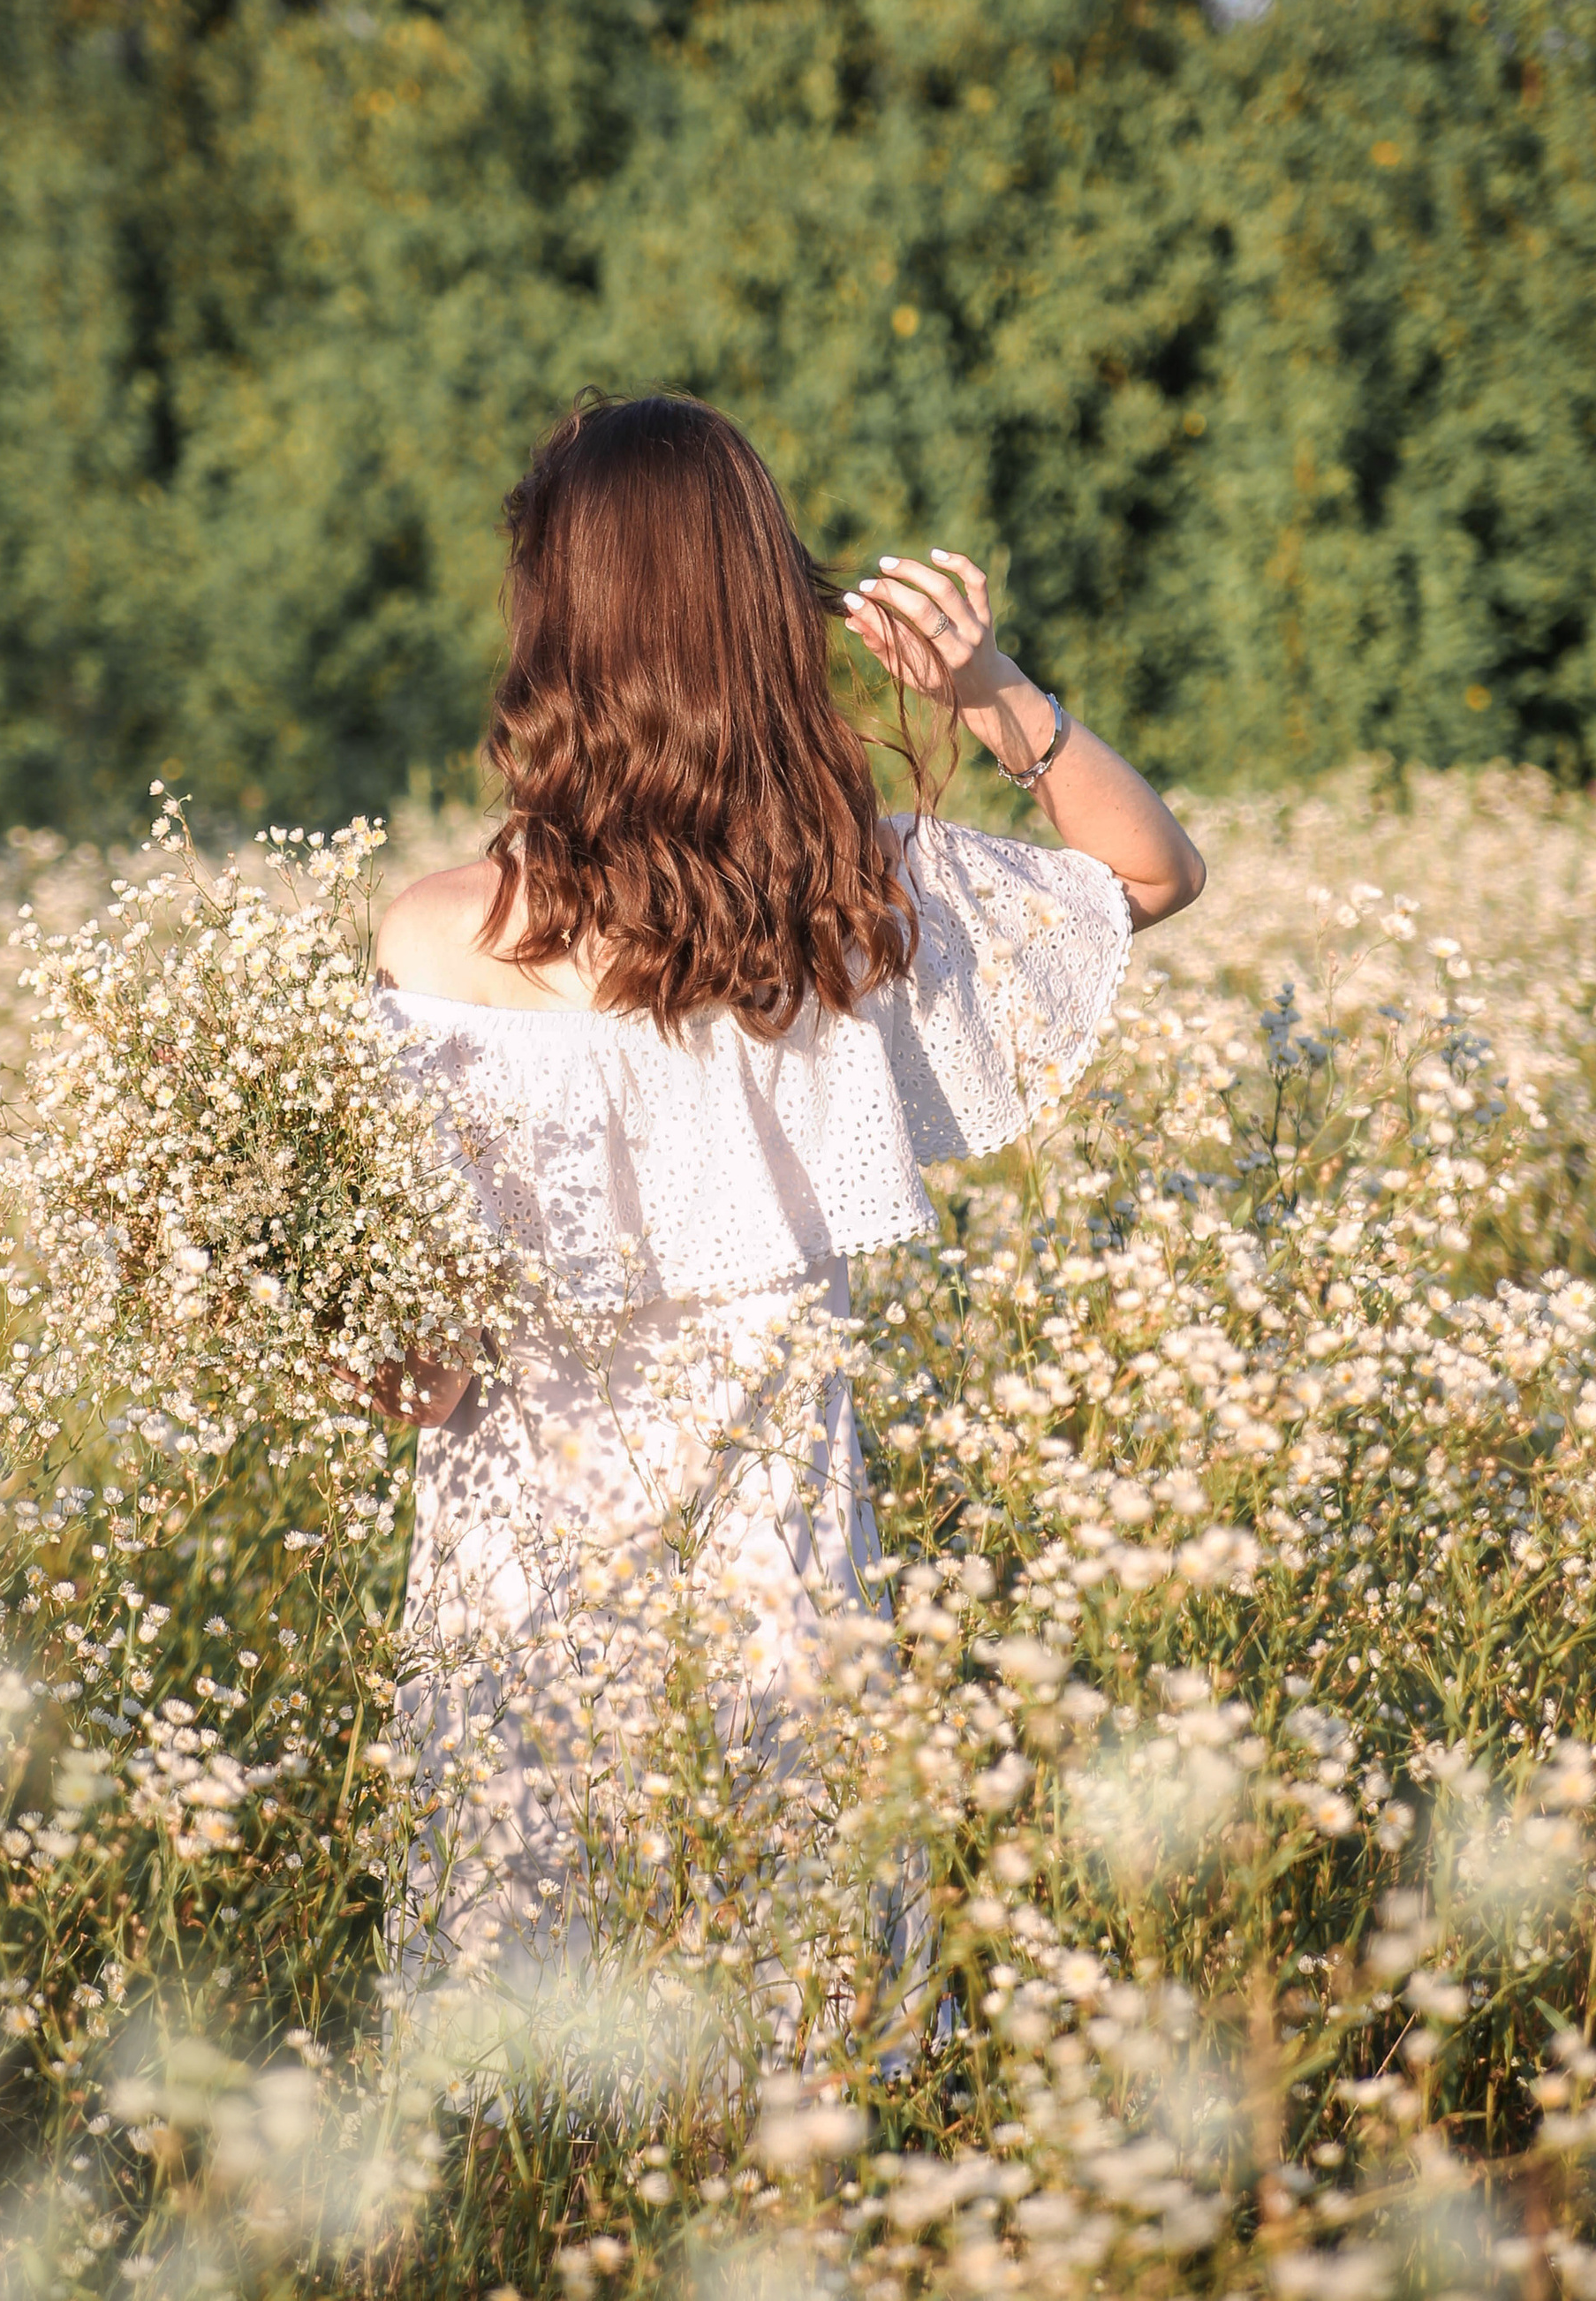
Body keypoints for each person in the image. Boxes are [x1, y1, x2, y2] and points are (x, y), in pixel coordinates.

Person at [370, 393, 1205, 2021]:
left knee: (527, 2092)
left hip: (520, 1611)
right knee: (796, 2066)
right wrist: (993, 690)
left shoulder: (436, 939)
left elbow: (422, 1379)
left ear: (556, 631)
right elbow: (1152, 874)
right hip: (781, 1588)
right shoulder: (848, 898)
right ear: (765, 613)